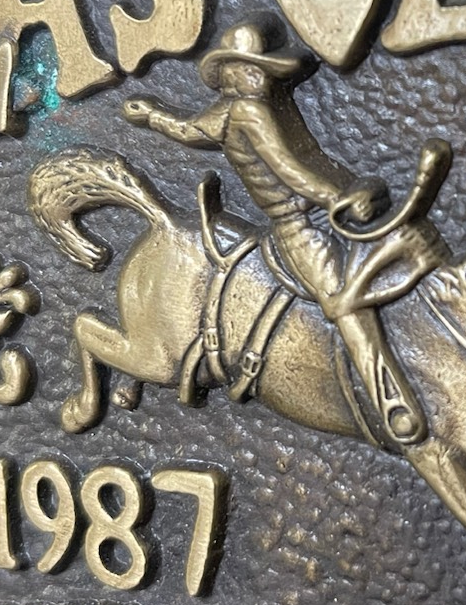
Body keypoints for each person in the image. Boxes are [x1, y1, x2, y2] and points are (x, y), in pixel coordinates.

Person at [122, 22, 439, 444]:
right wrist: (337, 197)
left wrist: (151, 115)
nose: (259, 77)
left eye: (263, 69)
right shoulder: (249, 113)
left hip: (319, 213)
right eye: (251, 69)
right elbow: (289, 169)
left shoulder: (235, 111)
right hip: (302, 227)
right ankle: (392, 404)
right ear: (232, 74)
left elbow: (188, 129)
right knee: (343, 304)